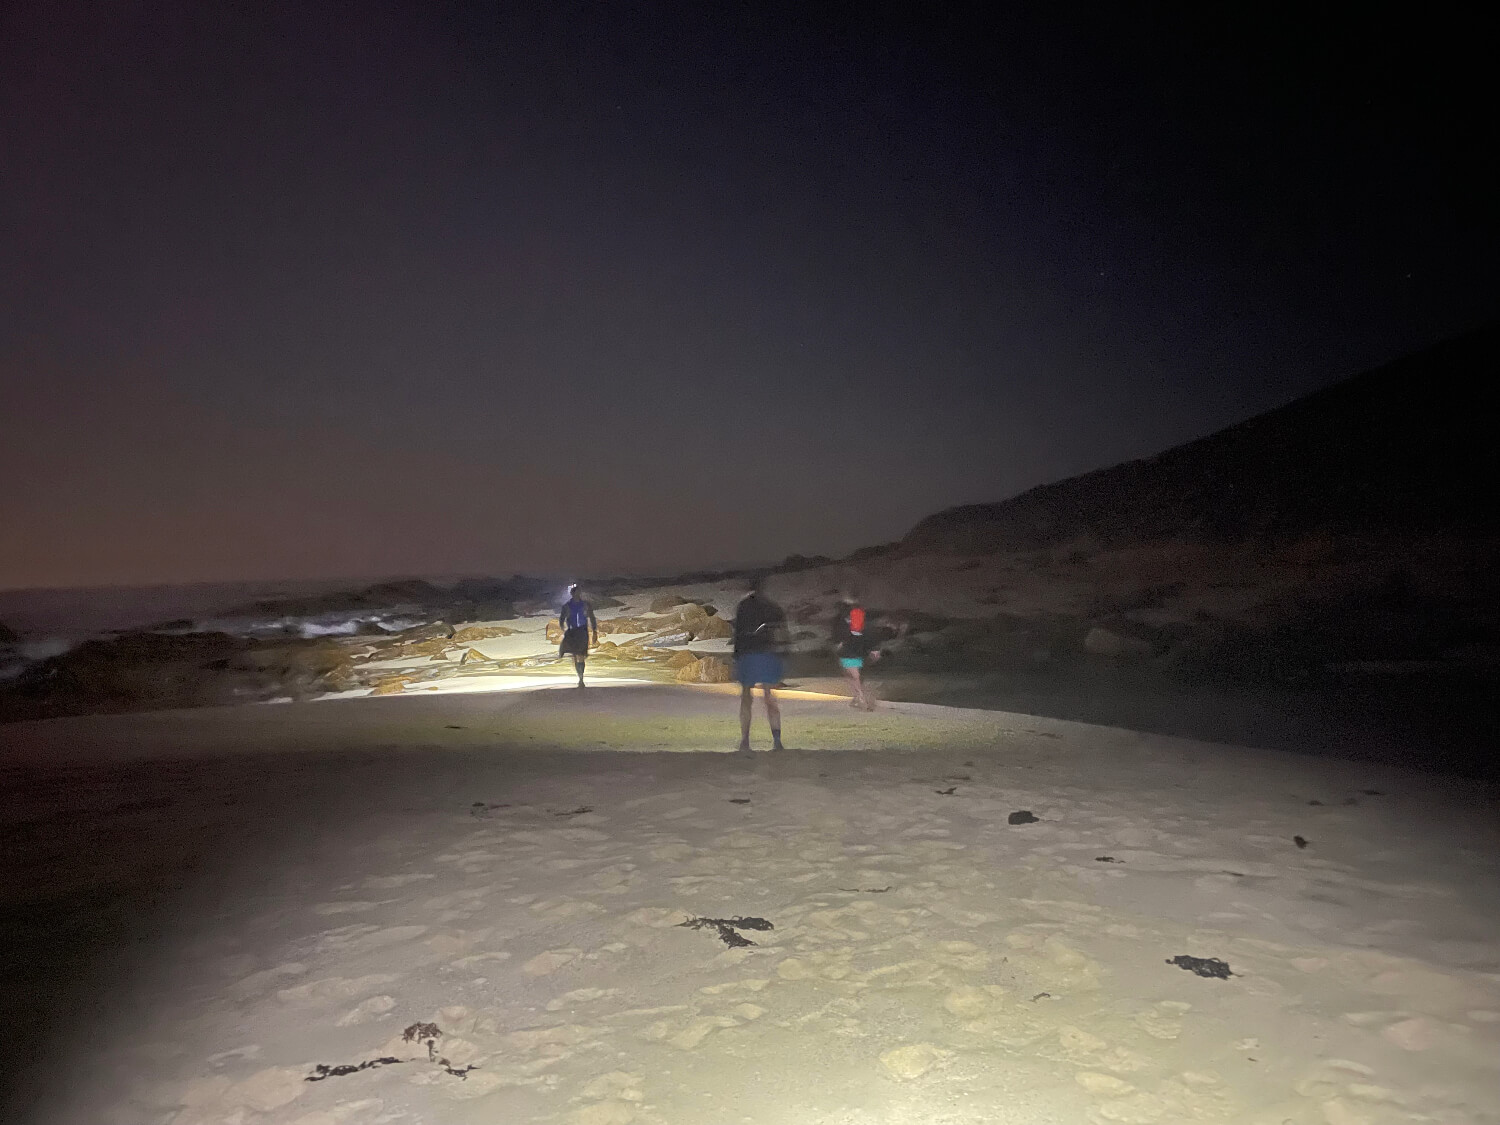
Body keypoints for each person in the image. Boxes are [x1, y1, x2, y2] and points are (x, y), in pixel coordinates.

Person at [732, 579, 787, 752]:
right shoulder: (772, 606)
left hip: (747, 654)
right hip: (767, 653)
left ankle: (745, 741)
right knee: (769, 697)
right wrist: (783, 655)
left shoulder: (743, 606)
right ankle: (777, 741)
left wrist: (736, 658)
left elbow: (738, 634)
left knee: (746, 697)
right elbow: (782, 632)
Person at [832, 593, 881, 710]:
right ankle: (860, 698)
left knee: (854, 675)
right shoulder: (853, 618)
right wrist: (874, 649)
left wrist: (874, 648)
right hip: (855, 650)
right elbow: (869, 632)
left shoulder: (846, 618)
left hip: (852, 650)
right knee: (854, 675)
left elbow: (868, 632)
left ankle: (860, 698)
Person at [557, 585, 598, 686]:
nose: (578, 594)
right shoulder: (567, 606)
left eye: (579, 593)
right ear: (572, 594)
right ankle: (580, 677)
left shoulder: (585, 605)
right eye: (576, 593)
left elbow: (592, 617)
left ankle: (581, 678)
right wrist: (563, 627)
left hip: (582, 631)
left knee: (581, 655)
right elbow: (562, 619)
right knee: (576, 655)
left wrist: (594, 631)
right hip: (573, 632)